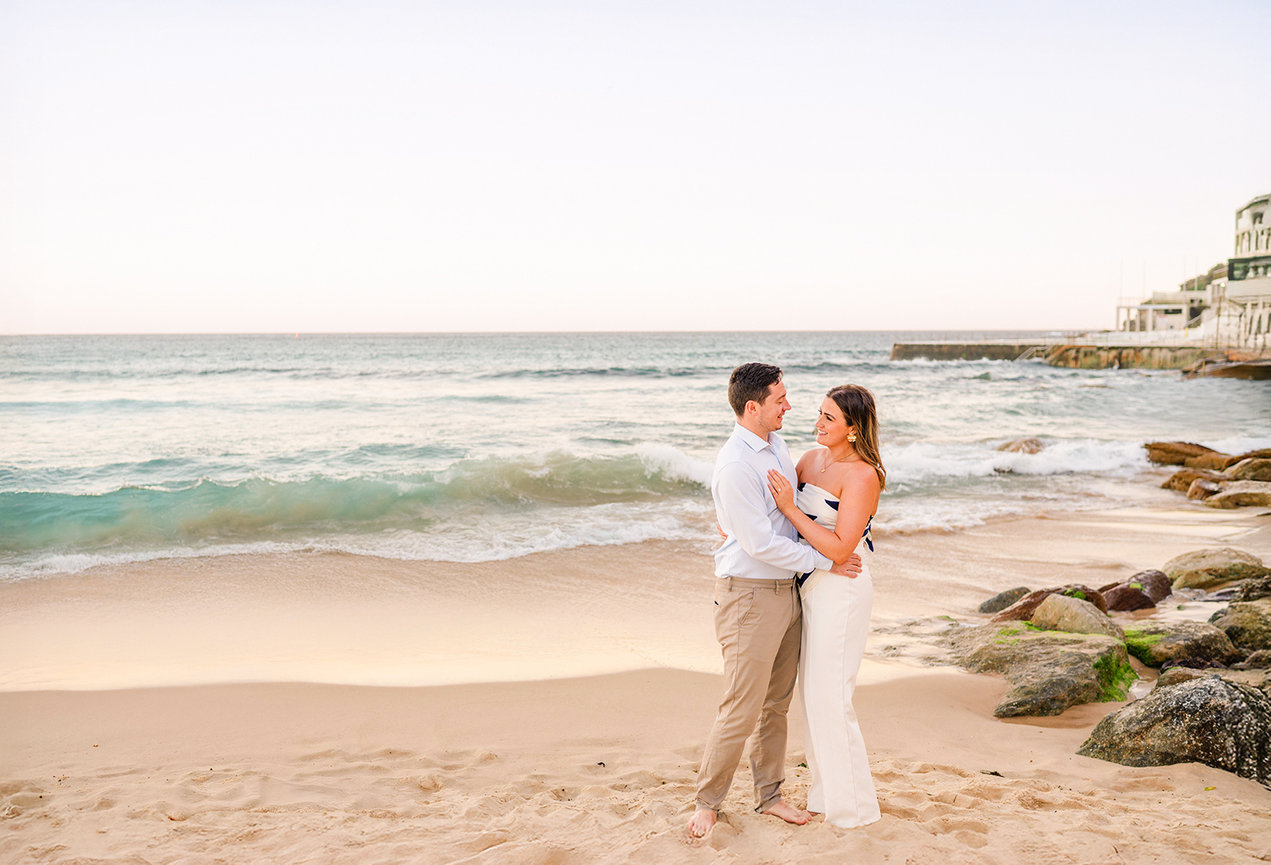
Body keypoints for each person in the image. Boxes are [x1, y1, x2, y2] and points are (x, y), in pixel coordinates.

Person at [688, 363, 861, 839]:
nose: (789, 405)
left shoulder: (777, 446)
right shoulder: (736, 464)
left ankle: (770, 796)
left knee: (776, 705)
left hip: (789, 591)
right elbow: (760, 543)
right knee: (740, 707)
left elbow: (788, 516)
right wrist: (826, 561)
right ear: (752, 407)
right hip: (749, 598)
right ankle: (708, 802)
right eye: (780, 399)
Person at [765, 384, 884, 829]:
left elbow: (840, 550)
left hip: (843, 590)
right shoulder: (809, 461)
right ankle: (824, 795)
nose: (817, 423)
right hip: (809, 587)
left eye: (829, 418)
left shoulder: (862, 475)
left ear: (852, 429)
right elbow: (778, 518)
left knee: (833, 698)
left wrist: (791, 511)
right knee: (813, 698)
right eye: (819, 413)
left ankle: (854, 810)